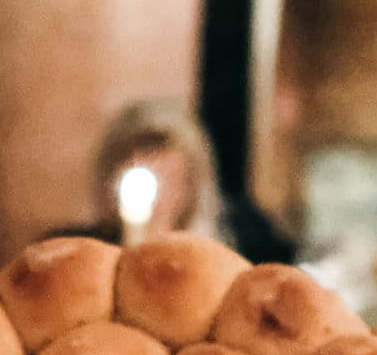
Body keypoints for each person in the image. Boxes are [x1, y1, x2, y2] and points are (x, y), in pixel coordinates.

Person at [89, 97, 296, 263]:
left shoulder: (239, 251)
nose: (155, 199)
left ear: (190, 187)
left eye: (168, 179)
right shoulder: (88, 255)